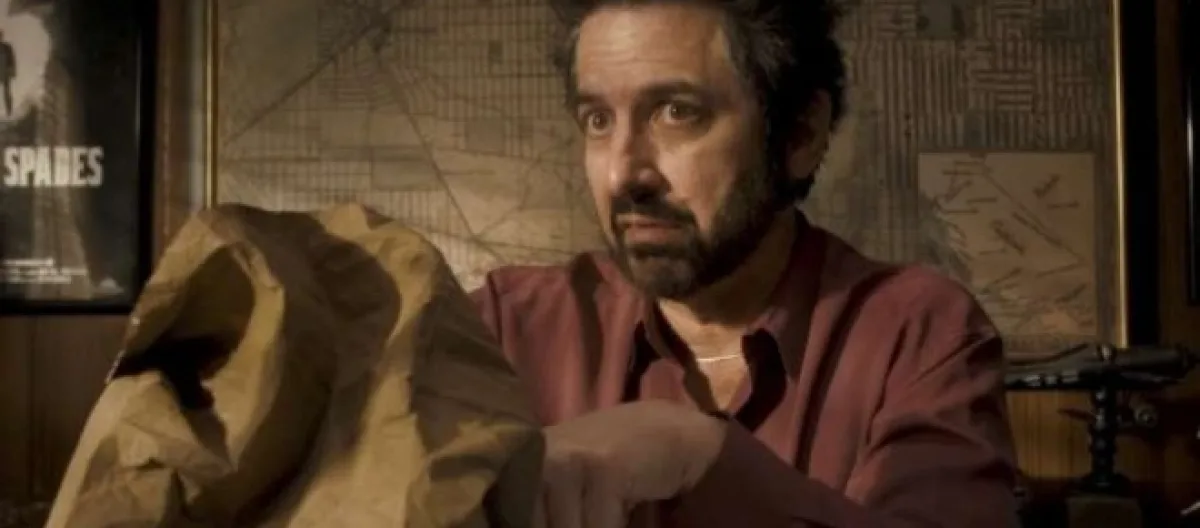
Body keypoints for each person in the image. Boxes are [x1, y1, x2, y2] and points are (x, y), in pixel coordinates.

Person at [468, 1, 1019, 526]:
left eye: (677, 112)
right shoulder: (505, 329)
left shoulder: (918, 335)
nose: (622, 175)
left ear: (800, 134)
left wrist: (698, 453)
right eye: (598, 120)